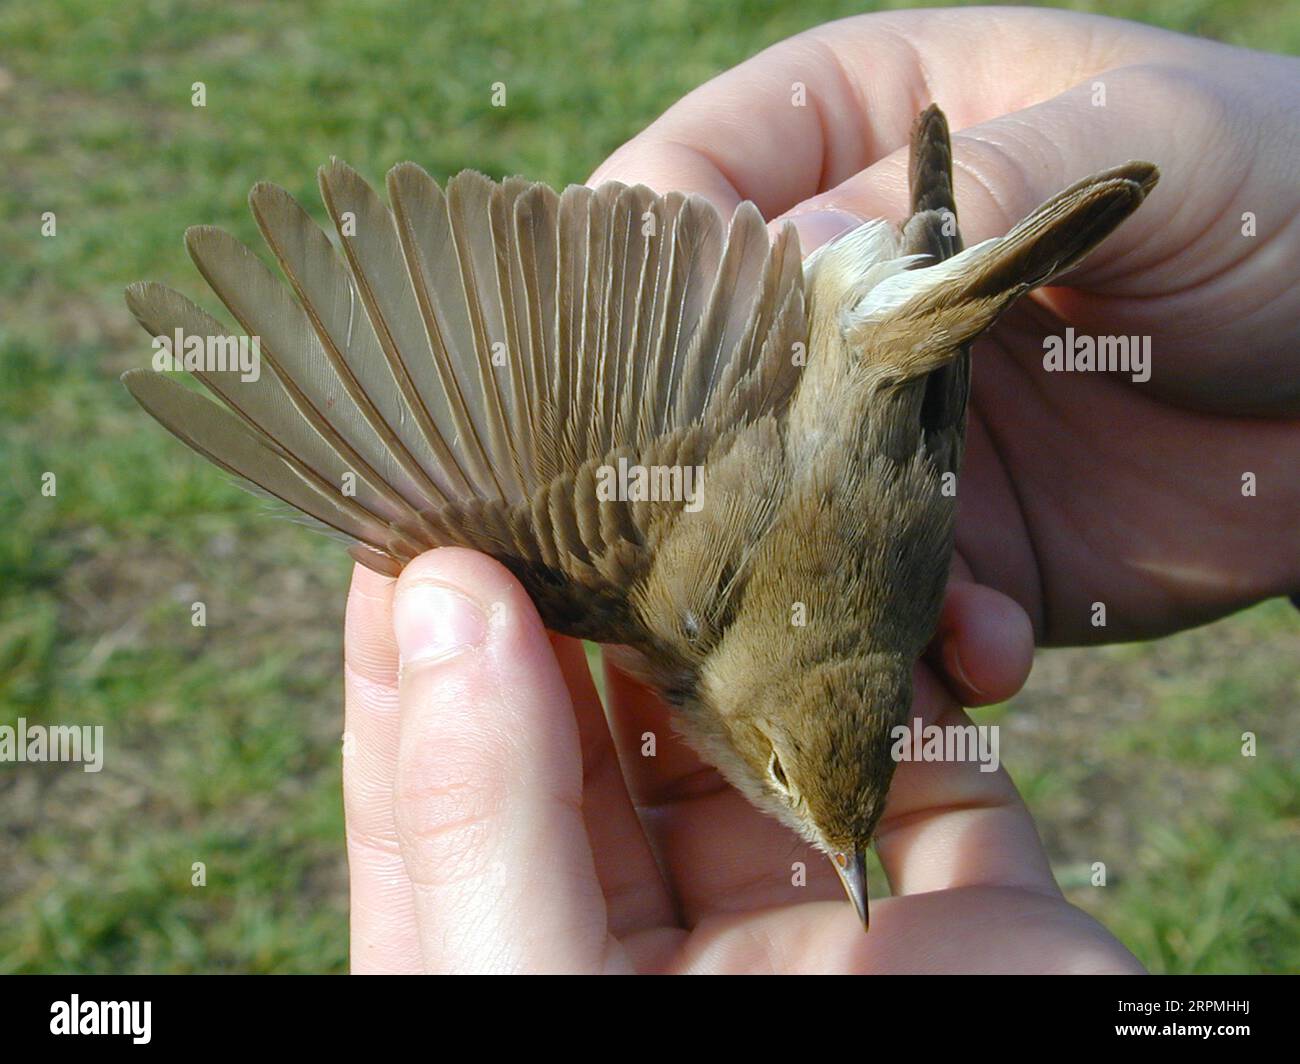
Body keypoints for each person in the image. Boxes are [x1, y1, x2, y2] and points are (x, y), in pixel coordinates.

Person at [340, 8, 1300, 973]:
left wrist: (931, 254)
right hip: (838, 318)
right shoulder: (657, 607)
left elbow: (928, 437)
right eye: (794, 793)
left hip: (902, 340)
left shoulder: (909, 611)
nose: (834, 852)